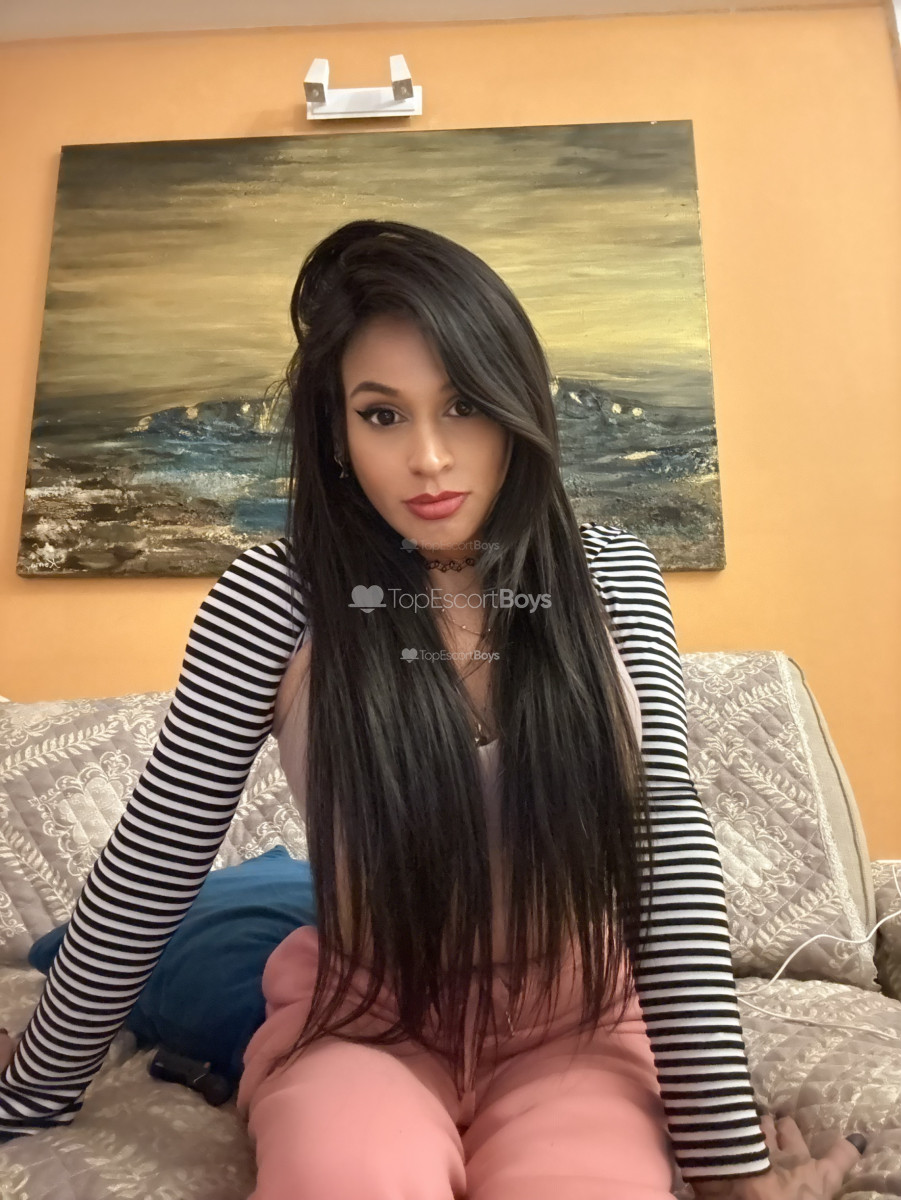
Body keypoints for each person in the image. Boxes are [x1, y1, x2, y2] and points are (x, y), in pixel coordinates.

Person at [0, 219, 865, 1199]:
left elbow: (663, 840)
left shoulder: (614, 575)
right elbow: (160, 850)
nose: (429, 457)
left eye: (462, 406)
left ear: (517, 404)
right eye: (381, 414)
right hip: (364, 1025)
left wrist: (726, 1166)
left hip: (577, 1030)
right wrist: (29, 1093)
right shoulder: (274, 596)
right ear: (336, 434)